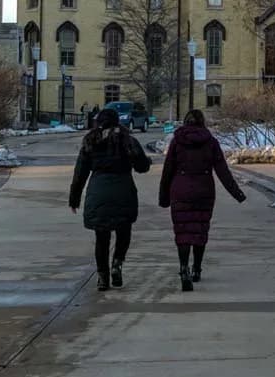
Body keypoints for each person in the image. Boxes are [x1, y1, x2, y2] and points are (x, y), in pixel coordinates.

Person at [158, 109, 246, 292]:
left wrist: (164, 197)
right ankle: (196, 269)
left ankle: (184, 268)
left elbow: (168, 171)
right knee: (199, 230)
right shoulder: (210, 142)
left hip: (180, 191)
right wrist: (236, 193)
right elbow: (222, 170)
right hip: (204, 191)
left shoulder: (177, 141)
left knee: (182, 231)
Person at [68, 107, 151, 291]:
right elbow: (142, 166)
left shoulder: (91, 141)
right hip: (124, 191)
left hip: (98, 192)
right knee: (124, 231)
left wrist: (74, 198)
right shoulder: (128, 140)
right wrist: (146, 162)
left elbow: (80, 172)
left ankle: (102, 277)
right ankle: (117, 263)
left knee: (101, 236)